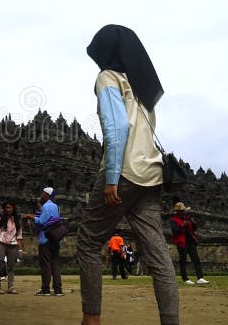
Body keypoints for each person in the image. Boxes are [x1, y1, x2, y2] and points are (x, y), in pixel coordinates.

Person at [77, 25, 179, 325]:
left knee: (87, 240)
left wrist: (110, 178)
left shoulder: (107, 78)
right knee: (157, 254)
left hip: (123, 172)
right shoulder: (142, 88)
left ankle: (91, 319)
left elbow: (117, 128)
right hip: (151, 175)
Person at [23, 187, 63, 297]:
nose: (41, 195)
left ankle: (45, 289)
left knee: (46, 264)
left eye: (43, 193)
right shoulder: (56, 206)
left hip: (45, 239)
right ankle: (58, 289)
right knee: (55, 264)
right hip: (55, 238)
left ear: (47, 194)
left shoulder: (46, 206)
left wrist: (30, 217)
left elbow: (42, 222)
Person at [170, 202, 209, 285]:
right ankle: (185, 278)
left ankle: (200, 277)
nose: (182, 212)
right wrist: (183, 225)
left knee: (196, 259)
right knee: (183, 261)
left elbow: (193, 229)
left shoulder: (187, 218)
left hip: (190, 241)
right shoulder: (173, 220)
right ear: (177, 212)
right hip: (181, 242)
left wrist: (193, 223)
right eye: (180, 211)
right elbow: (175, 231)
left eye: (183, 211)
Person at [0, 201, 23, 294]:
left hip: (13, 245)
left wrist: (20, 249)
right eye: (6, 207)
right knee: (0, 265)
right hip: (2, 243)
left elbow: (19, 236)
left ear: (13, 209)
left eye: (10, 207)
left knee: (11, 267)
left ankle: (10, 287)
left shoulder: (17, 221)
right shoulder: (0, 220)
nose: (8, 209)